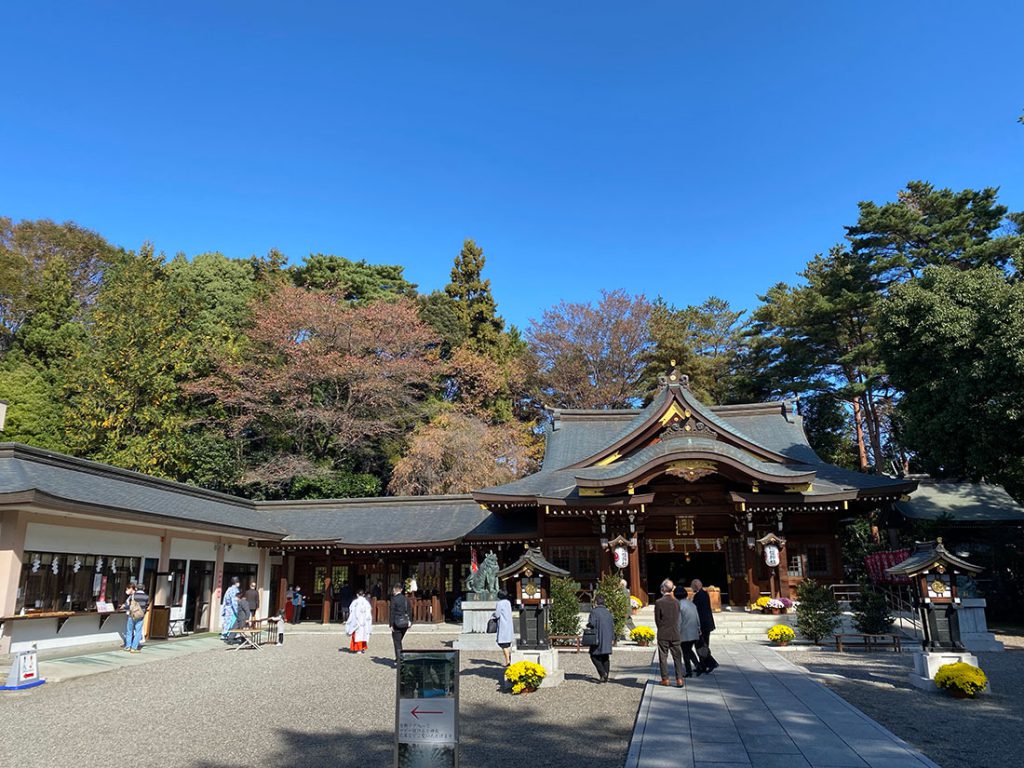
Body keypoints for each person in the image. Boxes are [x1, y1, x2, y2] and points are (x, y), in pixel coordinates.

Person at [654, 579, 684, 687]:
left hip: (663, 633)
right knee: (677, 657)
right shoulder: (676, 602)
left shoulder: (659, 602)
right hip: (675, 632)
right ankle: (679, 678)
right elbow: (678, 617)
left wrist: (661, 628)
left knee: (663, 657)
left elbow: (657, 619)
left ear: (663, 588)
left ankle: (665, 679)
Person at [691, 579, 719, 675]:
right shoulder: (704, 594)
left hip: (703, 625)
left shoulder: (699, 596)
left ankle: (711, 663)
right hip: (707, 624)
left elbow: (698, 611)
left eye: (692, 586)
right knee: (703, 645)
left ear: (695, 586)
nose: (691, 588)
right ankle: (703, 665)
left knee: (701, 646)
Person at [585, 593, 615, 683]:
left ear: (596, 602)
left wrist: (588, 624)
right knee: (605, 656)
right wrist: (613, 637)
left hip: (598, 637)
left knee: (593, 655)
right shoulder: (608, 612)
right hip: (607, 637)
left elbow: (592, 623)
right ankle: (606, 676)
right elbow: (612, 625)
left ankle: (602, 673)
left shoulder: (594, 612)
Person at [675, 585, 701, 678]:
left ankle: (689, 671)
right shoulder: (691, 604)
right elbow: (697, 617)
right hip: (694, 630)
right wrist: (699, 628)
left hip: (685, 632)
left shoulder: (679, 605)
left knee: (686, 652)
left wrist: (676, 632)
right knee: (689, 650)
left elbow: (679, 621)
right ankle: (698, 666)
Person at [122, 582, 148, 653]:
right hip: (140, 616)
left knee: (129, 631)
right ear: (144, 588)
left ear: (136, 588)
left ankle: (128, 646)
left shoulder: (133, 596)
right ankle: (134, 648)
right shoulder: (146, 596)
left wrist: (124, 607)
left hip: (132, 615)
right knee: (138, 631)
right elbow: (146, 606)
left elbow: (129, 606)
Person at [346, 588, 373, 654]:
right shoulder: (366, 603)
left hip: (357, 621)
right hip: (364, 621)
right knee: (363, 634)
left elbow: (351, 611)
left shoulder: (355, 602)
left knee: (357, 635)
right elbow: (369, 612)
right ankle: (362, 648)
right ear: (363, 595)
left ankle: (358, 648)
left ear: (357, 595)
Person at [388, 584, 412, 660]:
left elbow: (392, 612)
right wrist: (410, 621)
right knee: (399, 640)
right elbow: (409, 611)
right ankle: (399, 657)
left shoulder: (394, 599)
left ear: (394, 589)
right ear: (401, 590)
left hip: (397, 622)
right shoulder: (406, 599)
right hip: (405, 622)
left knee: (397, 642)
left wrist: (391, 624)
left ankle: (399, 659)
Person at [492, 590, 514, 666]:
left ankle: (508, 661)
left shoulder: (499, 603)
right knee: (507, 643)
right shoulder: (508, 602)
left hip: (503, 624)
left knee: (503, 644)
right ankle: (509, 658)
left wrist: (493, 615)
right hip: (509, 624)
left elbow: (497, 614)